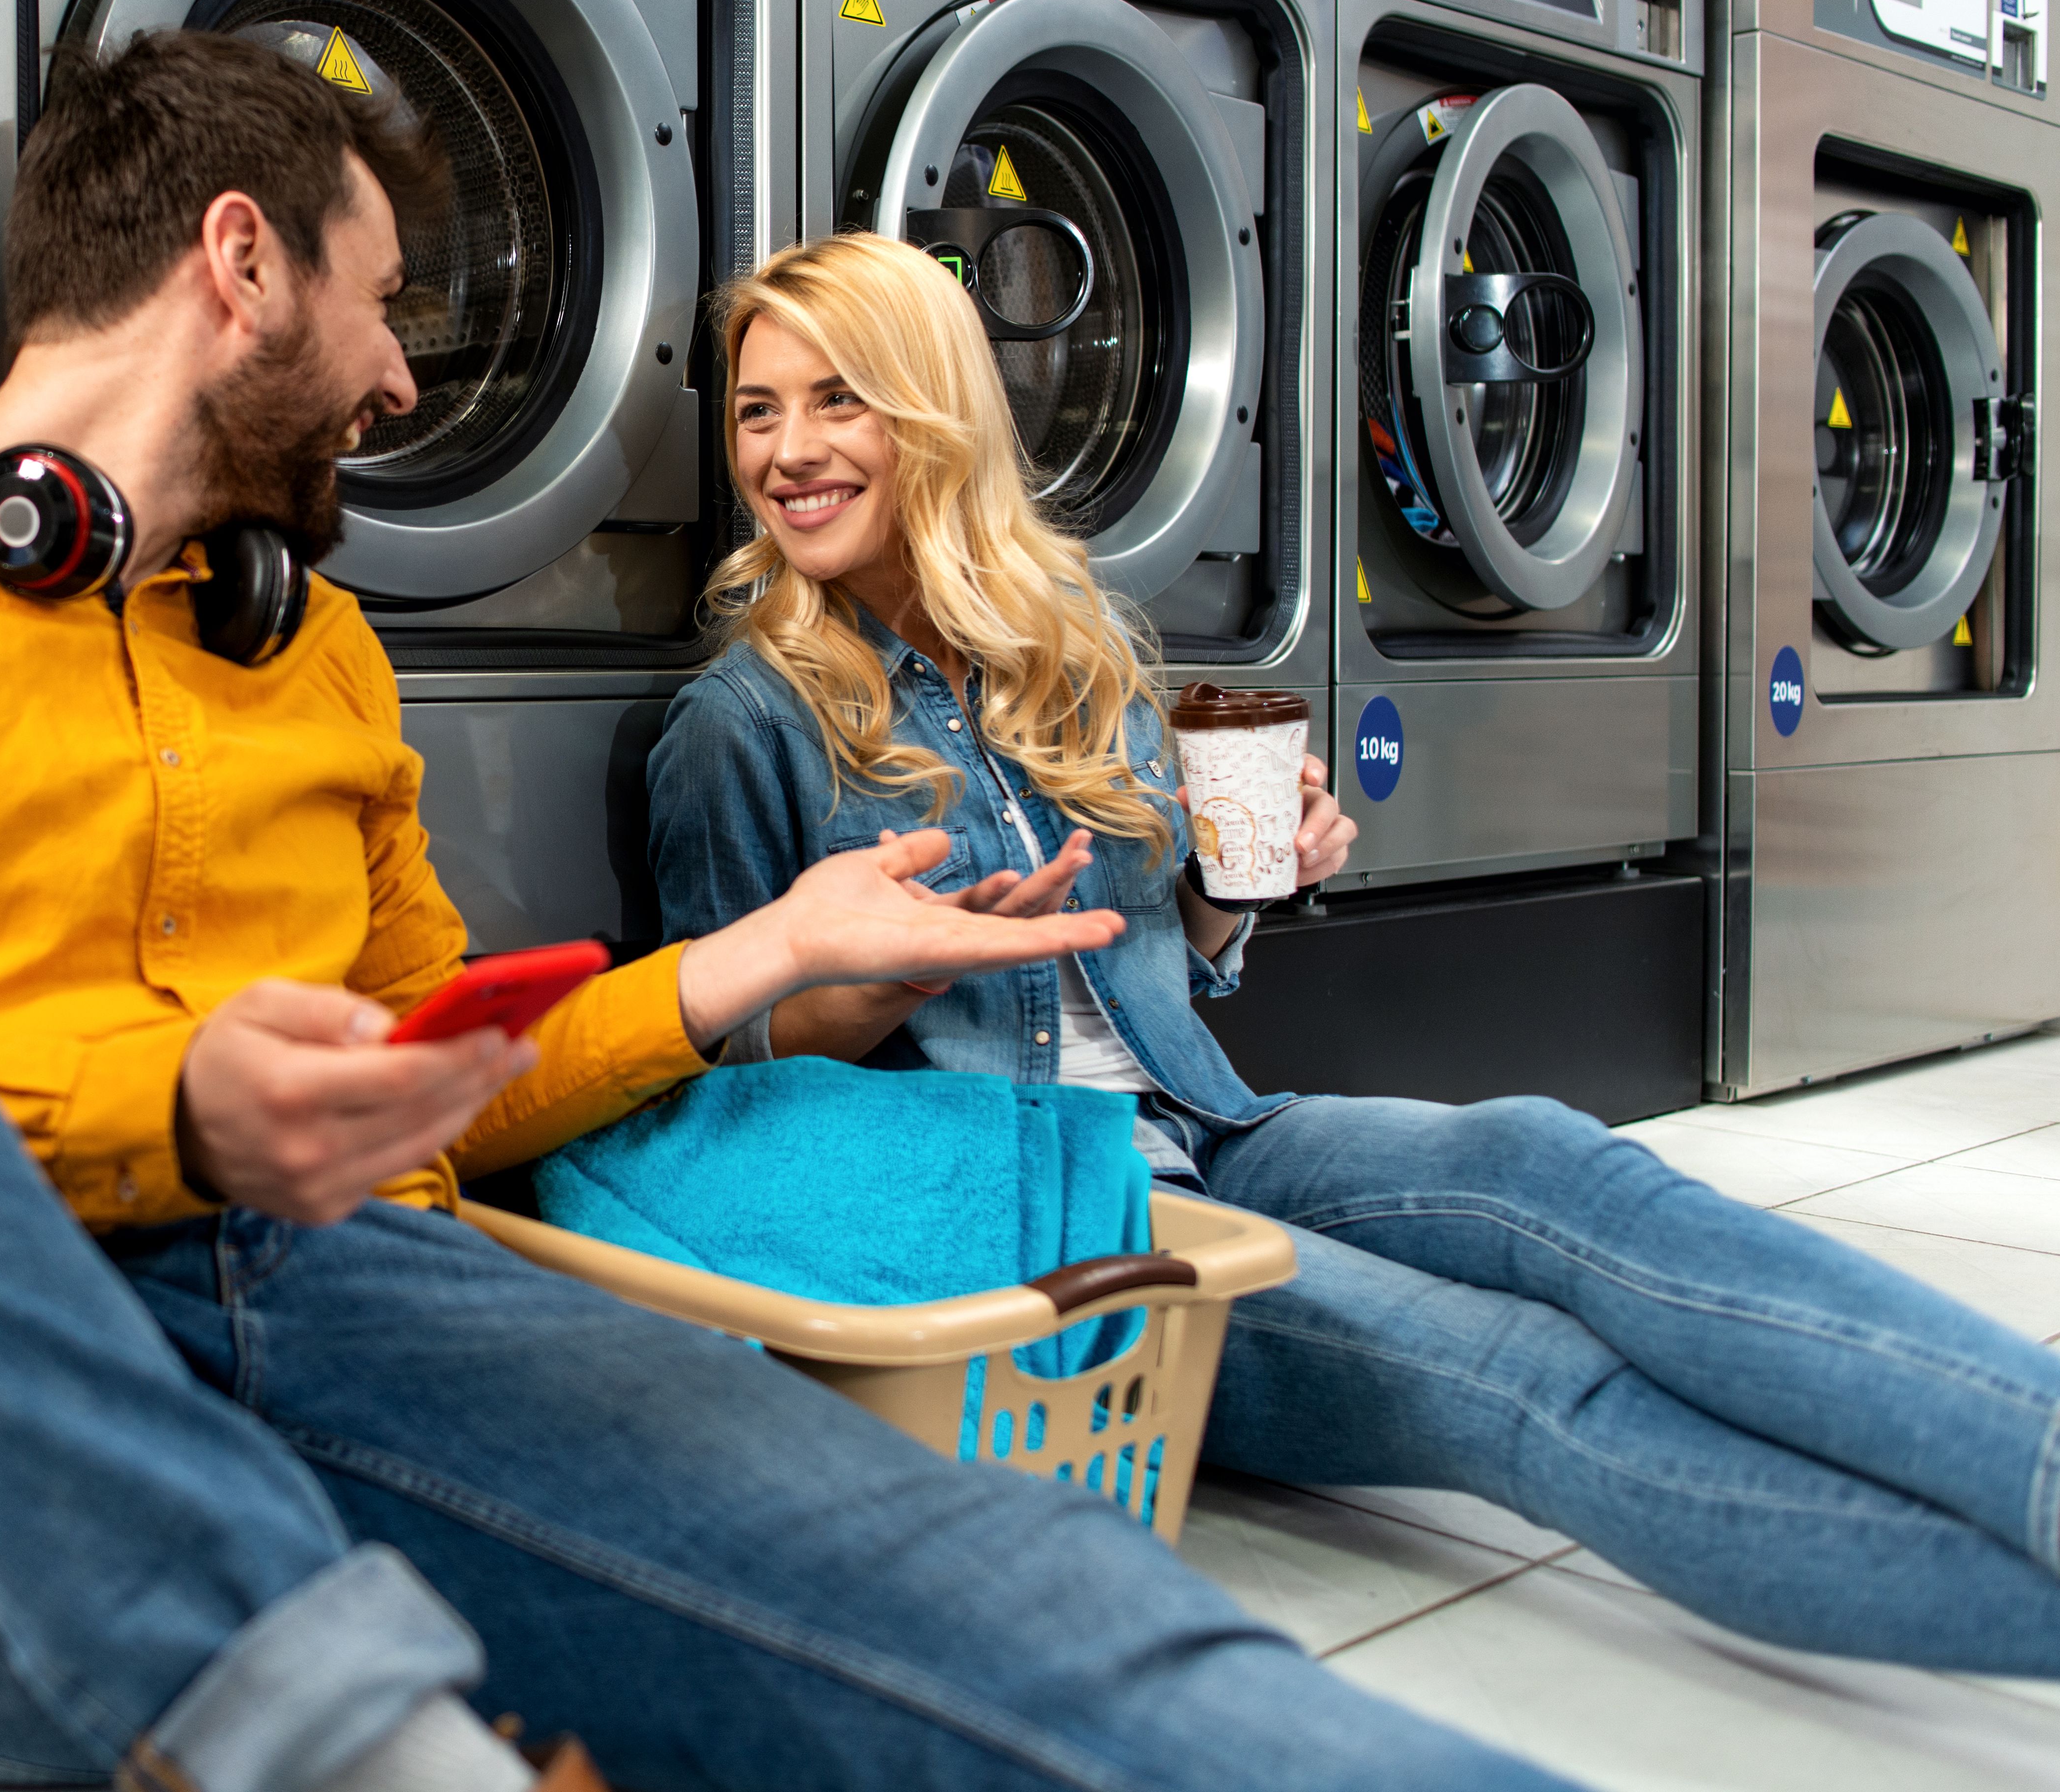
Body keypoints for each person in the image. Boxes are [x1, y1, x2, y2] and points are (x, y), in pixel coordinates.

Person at [0, 28, 1598, 1792]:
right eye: (382, 299)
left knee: (1091, 1643)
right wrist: (173, 1115)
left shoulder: (315, 653)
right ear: (241, 263)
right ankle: (346, 1728)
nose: (401, 378)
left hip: (362, 1327)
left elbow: (452, 1084)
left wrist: (750, 969)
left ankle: (337, 1716)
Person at [644, 227, 2060, 1678]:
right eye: (759, 410)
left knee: (1558, 1164)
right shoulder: (743, 723)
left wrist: (1238, 883)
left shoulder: (1067, 657)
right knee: (1521, 1378)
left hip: (1211, 1125)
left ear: (936, 416)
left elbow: (1165, 970)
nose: (788, 451)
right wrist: (889, 983)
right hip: (1042, 1208)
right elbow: (721, 1076)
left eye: (837, 401)